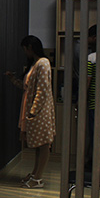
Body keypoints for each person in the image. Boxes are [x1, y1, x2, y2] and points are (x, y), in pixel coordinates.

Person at [18, 36, 56, 187]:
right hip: (34, 108)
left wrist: (33, 111)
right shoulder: (36, 63)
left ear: (30, 47)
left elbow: (42, 89)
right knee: (38, 144)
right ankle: (35, 173)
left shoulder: (43, 63)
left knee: (44, 144)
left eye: (25, 49)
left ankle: (38, 177)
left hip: (40, 110)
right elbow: (28, 87)